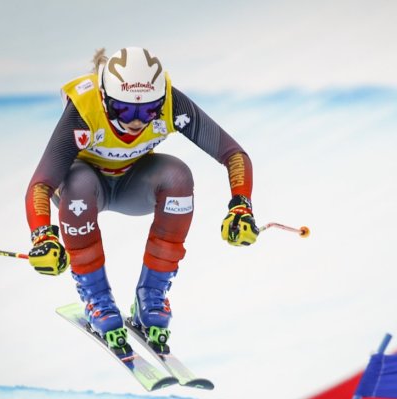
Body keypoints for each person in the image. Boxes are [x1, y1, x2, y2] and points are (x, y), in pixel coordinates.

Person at [25, 47, 258, 357]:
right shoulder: (85, 108)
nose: (136, 121)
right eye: (124, 111)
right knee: (78, 183)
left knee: (178, 177)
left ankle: (152, 295)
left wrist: (241, 206)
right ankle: (97, 299)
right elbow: (41, 184)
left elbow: (234, 154)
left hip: (132, 184)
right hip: (84, 190)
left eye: (148, 112)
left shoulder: (171, 103)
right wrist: (42, 235)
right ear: (104, 98)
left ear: (160, 102)